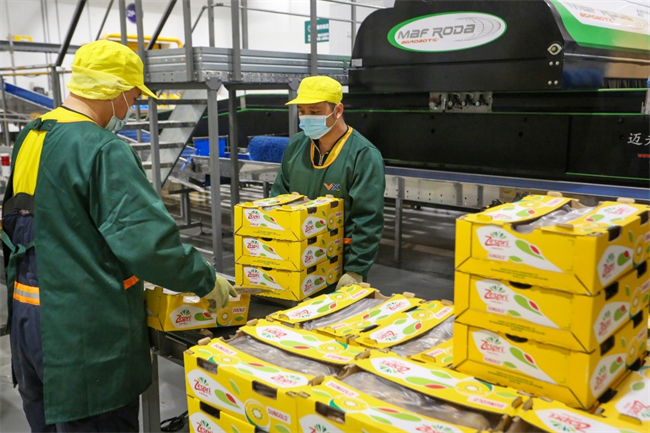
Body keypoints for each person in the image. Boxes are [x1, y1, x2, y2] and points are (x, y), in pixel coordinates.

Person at [1, 40, 235, 432]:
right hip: (84, 334)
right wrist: (205, 279)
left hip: (29, 322)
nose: (129, 109)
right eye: (132, 98)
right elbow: (148, 244)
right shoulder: (102, 148)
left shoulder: (32, 134)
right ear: (115, 92)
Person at [271, 76, 385, 289]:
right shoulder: (297, 146)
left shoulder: (363, 155)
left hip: (338, 262)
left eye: (315, 112)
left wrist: (355, 270)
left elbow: (368, 218)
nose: (306, 118)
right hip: (296, 257)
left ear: (338, 110)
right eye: (302, 111)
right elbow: (278, 197)